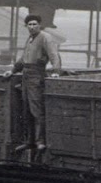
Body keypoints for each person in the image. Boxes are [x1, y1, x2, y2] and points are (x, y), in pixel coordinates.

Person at [5, 14, 60, 156]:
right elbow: (23, 59)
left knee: (37, 109)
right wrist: (12, 71)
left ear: (39, 25)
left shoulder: (45, 37)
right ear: (26, 26)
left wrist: (55, 71)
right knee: (26, 109)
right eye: (29, 24)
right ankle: (30, 140)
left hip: (37, 75)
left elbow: (54, 55)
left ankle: (40, 141)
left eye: (35, 24)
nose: (32, 27)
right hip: (26, 75)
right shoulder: (29, 39)